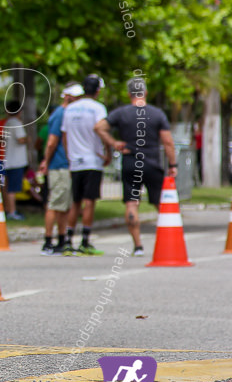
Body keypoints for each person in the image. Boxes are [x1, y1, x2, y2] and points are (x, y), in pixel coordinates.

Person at [94, 77, 176, 257]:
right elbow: (168, 142)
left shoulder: (122, 113)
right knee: (160, 203)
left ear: (129, 93)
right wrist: (172, 164)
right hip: (152, 163)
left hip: (130, 161)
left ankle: (138, 246)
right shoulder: (157, 114)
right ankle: (171, 240)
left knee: (132, 203)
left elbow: (99, 127)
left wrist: (114, 142)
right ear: (145, 92)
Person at [61, 74, 110, 256]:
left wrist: (69, 156)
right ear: (97, 90)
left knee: (75, 202)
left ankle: (67, 241)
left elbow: (64, 136)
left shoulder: (70, 109)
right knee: (89, 201)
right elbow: (102, 130)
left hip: (75, 161)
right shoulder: (98, 108)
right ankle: (85, 241)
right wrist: (108, 151)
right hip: (93, 160)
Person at [37, 82, 83, 255]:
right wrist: (46, 162)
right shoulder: (60, 114)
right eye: (76, 97)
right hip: (59, 165)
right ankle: (48, 241)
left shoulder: (68, 113)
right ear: (68, 96)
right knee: (55, 204)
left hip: (66, 165)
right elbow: (51, 141)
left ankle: (62, 239)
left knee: (64, 205)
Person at [0, 99, 28, 221]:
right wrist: (28, 139)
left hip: (7, 159)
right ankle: (12, 211)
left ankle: (7, 209)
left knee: (6, 187)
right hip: (16, 161)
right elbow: (21, 139)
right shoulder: (16, 123)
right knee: (12, 188)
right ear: (19, 111)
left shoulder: (7, 123)